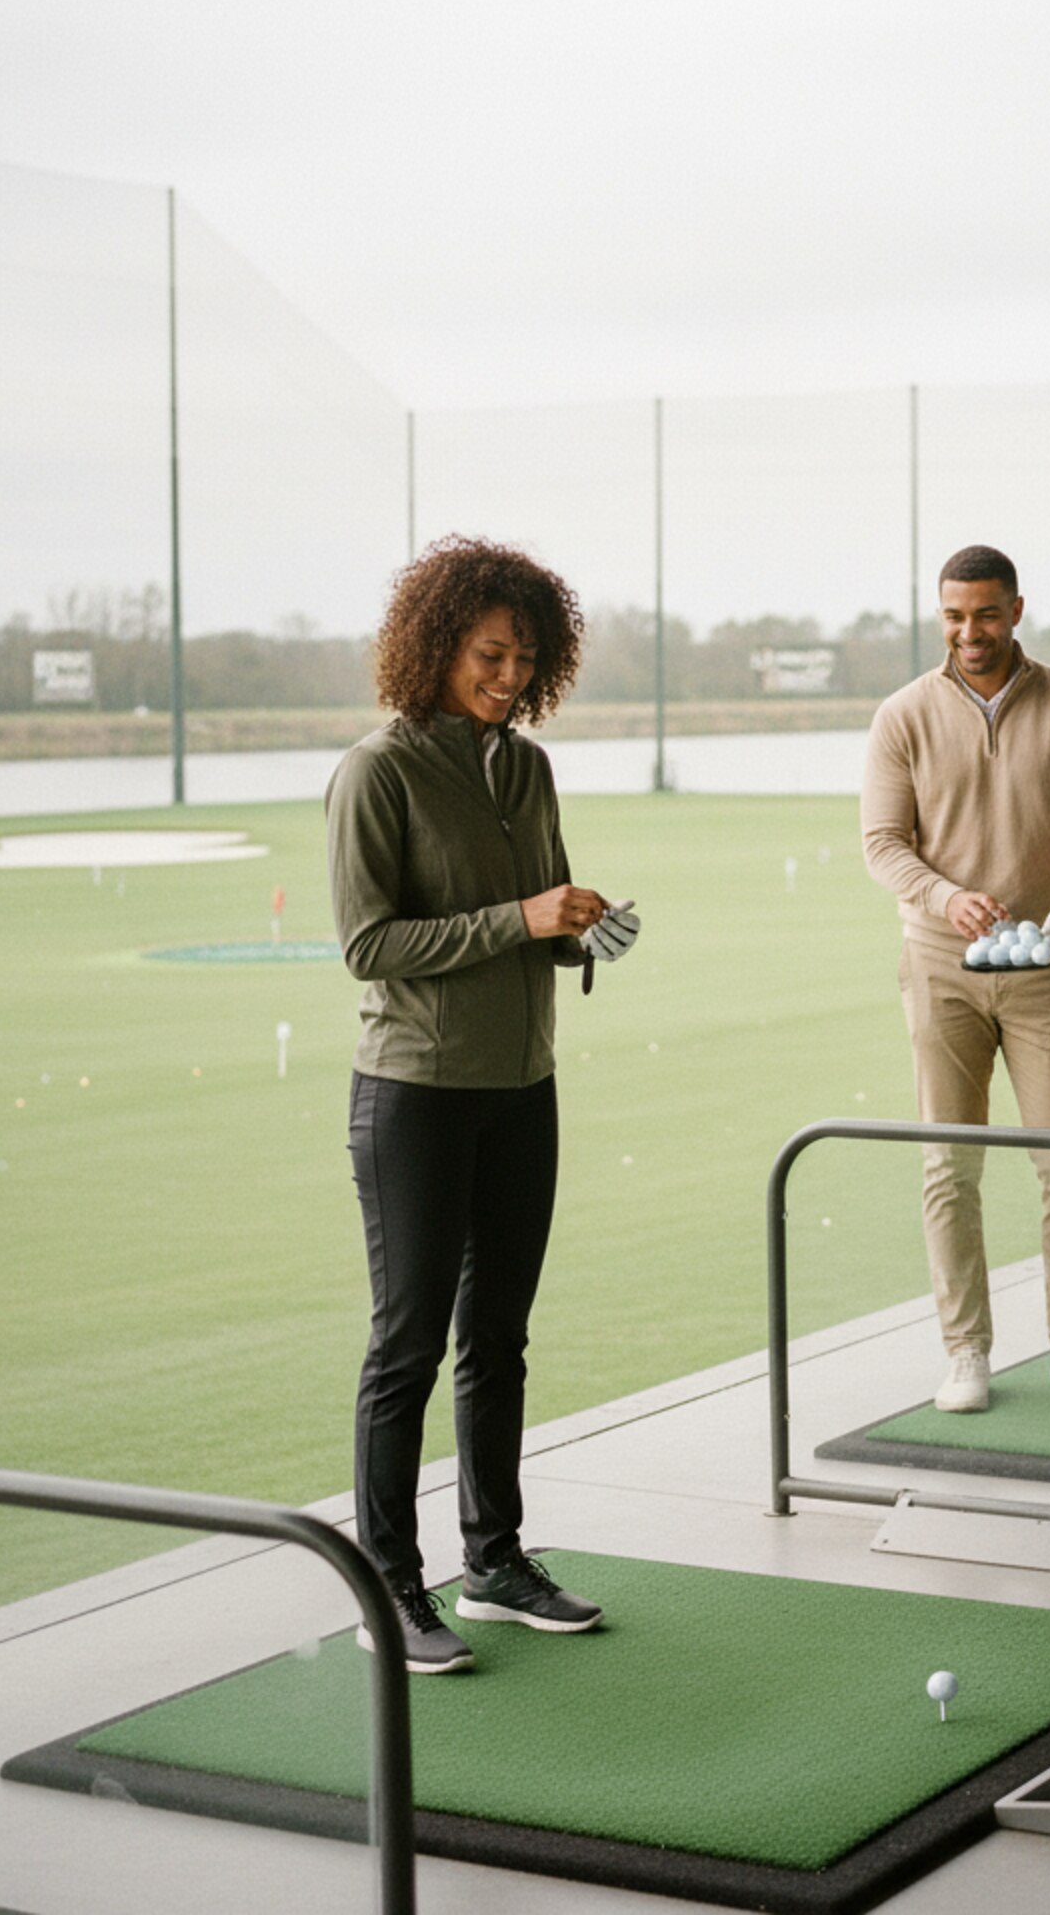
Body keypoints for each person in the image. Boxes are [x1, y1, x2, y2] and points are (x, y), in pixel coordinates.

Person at [325, 535, 640, 1674]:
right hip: (413, 1092)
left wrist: (579, 929)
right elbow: (368, 943)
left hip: (522, 1088)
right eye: (488, 654)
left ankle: (495, 1560)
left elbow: (532, 919)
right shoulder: (379, 771)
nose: (508, 676)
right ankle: (389, 1586)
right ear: (437, 645)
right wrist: (520, 918)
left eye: (525, 657)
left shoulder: (526, 768)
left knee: (497, 1337)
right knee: (406, 1343)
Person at [861, 544, 1050, 1414]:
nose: (968, 632)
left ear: (1017, 610)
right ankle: (966, 1351)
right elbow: (883, 844)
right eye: (952, 616)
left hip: (1044, 966)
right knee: (950, 1166)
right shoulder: (902, 715)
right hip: (940, 968)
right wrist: (945, 899)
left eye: (984, 614)